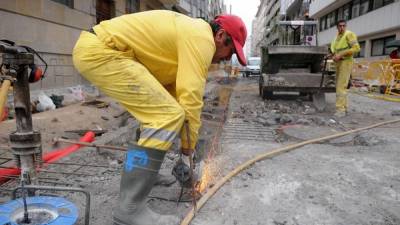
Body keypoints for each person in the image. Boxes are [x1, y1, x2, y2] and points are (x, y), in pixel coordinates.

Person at [72, 10, 247, 225]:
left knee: (162, 112)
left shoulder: (191, 36)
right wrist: (187, 152)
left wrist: (185, 142)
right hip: (103, 51)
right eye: (230, 51)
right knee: (165, 115)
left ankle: (147, 175)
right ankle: (129, 208)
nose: (227, 58)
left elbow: (177, 98)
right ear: (220, 36)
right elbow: (191, 97)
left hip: (105, 50)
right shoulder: (201, 39)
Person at [330, 19, 360, 118]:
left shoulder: (349, 34)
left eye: (343, 26)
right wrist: (332, 56)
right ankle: (344, 108)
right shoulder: (336, 38)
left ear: (346, 26)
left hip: (346, 62)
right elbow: (335, 51)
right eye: (340, 26)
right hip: (339, 63)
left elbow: (356, 48)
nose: (342, 28)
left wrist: (341, 54)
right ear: (337, 27)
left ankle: (340, 110)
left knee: (340, 86)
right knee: (340, 86)